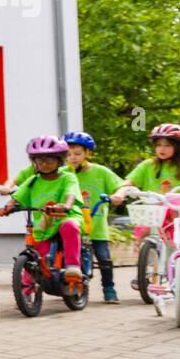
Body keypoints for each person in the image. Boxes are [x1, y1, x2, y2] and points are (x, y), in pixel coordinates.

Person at [0, 136, 85, 289]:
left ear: (59, 161)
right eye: (39, 160)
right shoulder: (33, 181)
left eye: (49, 160)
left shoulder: (67, 178)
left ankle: (72, 267)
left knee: (69, 226)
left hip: (65, 217)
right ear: (34, 162)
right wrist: (6, 208)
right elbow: (18, 197)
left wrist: (66, 206)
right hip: (43, 225)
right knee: (36, 253)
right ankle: (27, 288)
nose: (44, 164)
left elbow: (71, 194)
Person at [63, 130, 123, 303]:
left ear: (88, 153)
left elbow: (120, 185)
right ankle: (70, 286)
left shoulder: (101, 172)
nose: (72, 158)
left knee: (104, 258)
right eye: (68, 154)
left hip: (96, 227)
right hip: (73, 224)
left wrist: (117, 195)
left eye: (77, 153)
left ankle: (109, 289)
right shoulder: (63, 173)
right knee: (69, 258)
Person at [112, 123, 180, 248]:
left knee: (176, 207)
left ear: (178, 147)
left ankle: (179, 245)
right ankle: (144, 254)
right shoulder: (147, 165)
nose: (161, 149)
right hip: (153, 215)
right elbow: (129, 182)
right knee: (144, 231)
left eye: (167, 145)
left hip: (179, 217)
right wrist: (119, 193)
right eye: (158, 145)